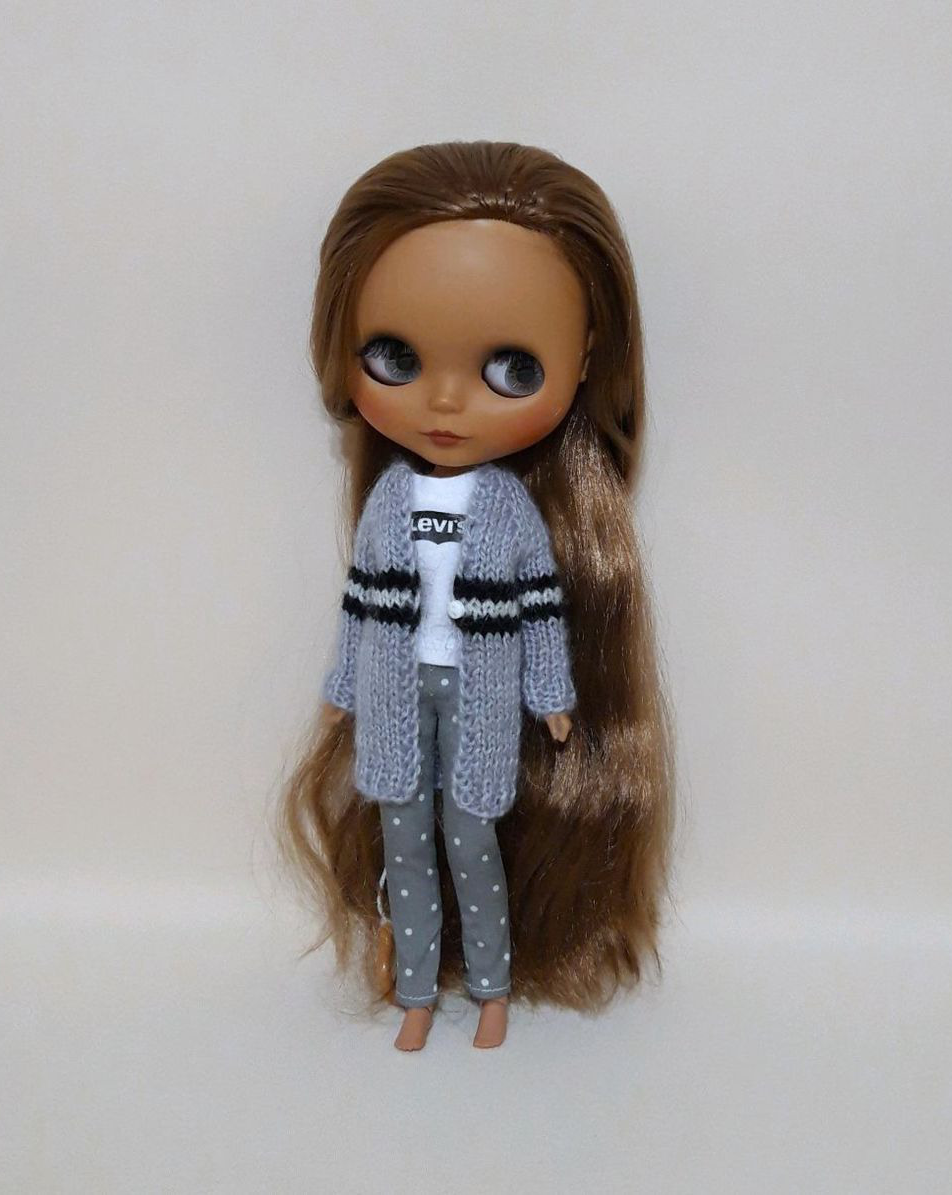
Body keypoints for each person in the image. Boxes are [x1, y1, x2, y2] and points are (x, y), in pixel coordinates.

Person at [278, 140, 675, 1052]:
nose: (446, 402)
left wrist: (553, 696)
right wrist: (341, 685)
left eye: (511, 370)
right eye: (395, 357)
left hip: (481, 695)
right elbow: (362, 602)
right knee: (405, 843)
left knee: (472, 840)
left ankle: (490, 985)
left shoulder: (510, 511)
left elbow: (538, 608)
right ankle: (418, 990)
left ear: (586, 358)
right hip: (395, 689)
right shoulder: (388, 502)